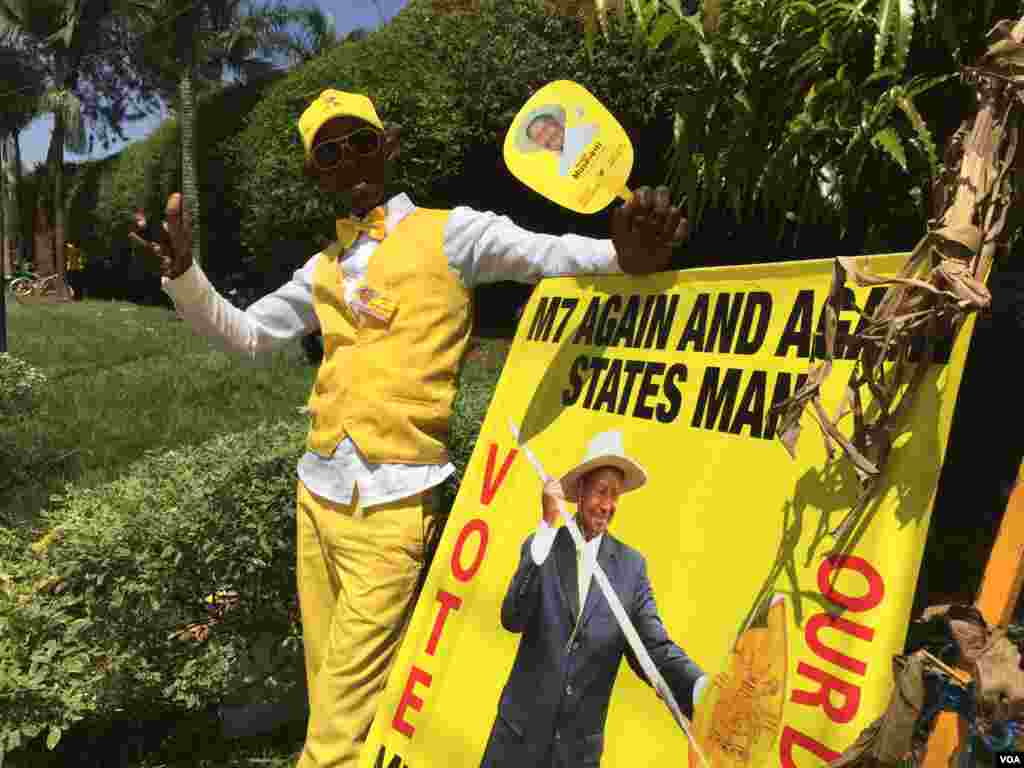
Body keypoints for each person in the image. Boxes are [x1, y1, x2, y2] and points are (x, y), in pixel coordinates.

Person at [132, 89, 690, 768]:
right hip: (317, 499)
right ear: (317, 173)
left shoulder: (450, 232)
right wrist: (186, 278)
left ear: (388, 146)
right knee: (335, 698)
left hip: (392, 511)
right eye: (330, 152)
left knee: (332, 735)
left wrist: (622, 255)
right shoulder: (323, 268)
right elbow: (246, 334)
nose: (350, 160)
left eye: (361, 141)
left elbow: (544, 253)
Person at [480, 430, 707, 768]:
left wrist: (702, 692)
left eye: (615, 496)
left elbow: (654, 648)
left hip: (575, 757)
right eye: (601, 492)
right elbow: (512, 617)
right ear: (581, 490)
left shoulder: (631, 569)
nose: (607, 505)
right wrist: (546, 524)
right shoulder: (544, 546)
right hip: (517, 744)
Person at [515, 104, 600, 177]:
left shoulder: (592, 131)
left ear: (556, 122)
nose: (547, 137)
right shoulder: (563, 171)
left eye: (546, 128)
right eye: (539, 137)